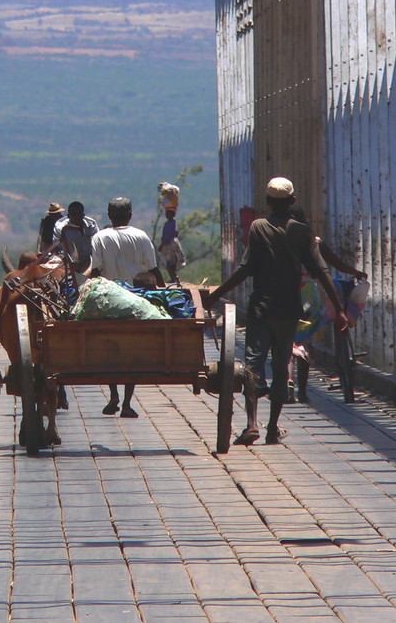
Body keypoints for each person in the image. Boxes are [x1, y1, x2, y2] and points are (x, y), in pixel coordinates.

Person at [206, 177, 348, 445]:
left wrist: (216, 294)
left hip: (261, 309)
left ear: (269, 202)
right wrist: (339, 309)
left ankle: (251, 424)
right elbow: (322, 272)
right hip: (288, 311)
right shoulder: (302, 232)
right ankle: (272, 427)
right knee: (281, 367)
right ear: (293, 201)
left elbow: (245, 269)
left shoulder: (258, 227)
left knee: (252, 366)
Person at [90, 196, 165, 418]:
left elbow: (95, 271)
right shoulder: (140, 236)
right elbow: (152, 269)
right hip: (136, 301)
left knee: (110, 348)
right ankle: (127, 403)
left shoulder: (100, 237)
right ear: (130, 215)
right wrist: (164, 290)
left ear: (109, 216)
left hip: (109, 301)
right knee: (132, 350)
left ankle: (113, 394)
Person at [288, 205, 368, 403]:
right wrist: (355, 272)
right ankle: (303, 391)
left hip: (287, 293)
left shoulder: (280, 242)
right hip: (310, 295)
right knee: (305, 340)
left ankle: (288, 380)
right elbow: (334, 263)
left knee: (287, 341)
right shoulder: (314, 242)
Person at [52, 201, 99, 276]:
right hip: (67, 263)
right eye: (74, 214)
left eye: (79, 214)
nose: (77, 217)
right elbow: (57, 246)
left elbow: (97, 243)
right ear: (68, 216)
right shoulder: (60, 228)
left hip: (88, 260)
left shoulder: (90, 225)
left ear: (83, 215)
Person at [158, 208, 186, 284]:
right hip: (170, 243)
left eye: (169, 213)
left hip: (169, 244)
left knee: (169, 263)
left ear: (173, 215)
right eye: (166, 213)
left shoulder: (171, 223)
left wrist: (162, 244)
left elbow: (169, 235)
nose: (167, 215)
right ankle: (174, 279)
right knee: (170, 263)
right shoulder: (171, 223)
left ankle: (174, 279)